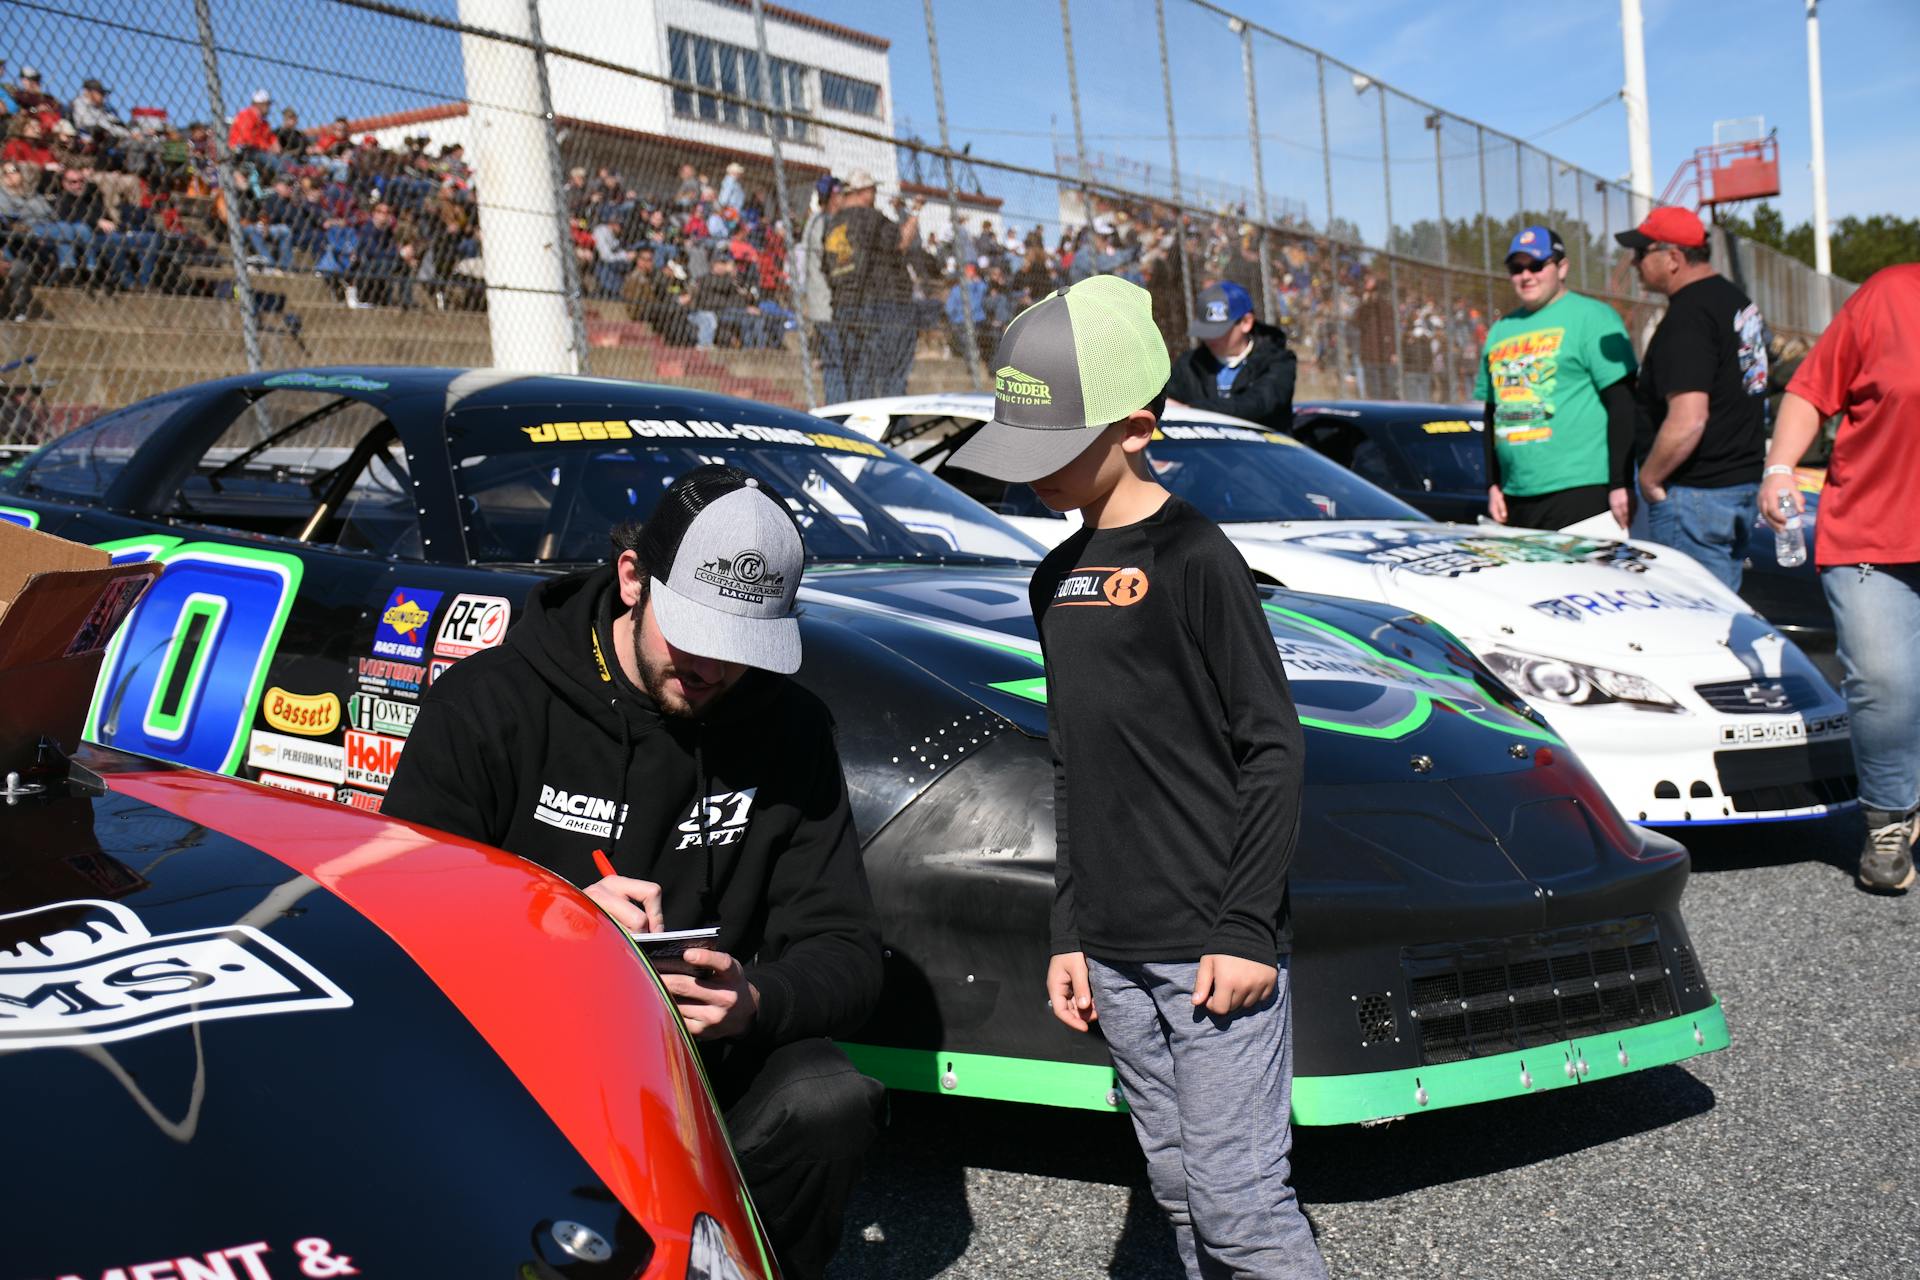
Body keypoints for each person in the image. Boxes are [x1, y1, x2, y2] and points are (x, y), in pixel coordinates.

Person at [381, 466, 885, 1279]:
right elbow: (394, 918)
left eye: (742, 646)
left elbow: (850, 950)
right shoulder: (491, 703)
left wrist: (753, 999)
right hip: (526, 1046)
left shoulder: (789, 729)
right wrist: (555, 917)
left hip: (701, 1058)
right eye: (695, 633)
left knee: (828, 1102)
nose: (715, 668)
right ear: (631, 579)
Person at [948, 276, 1327, 1280]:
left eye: (1053, 449)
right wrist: (1070, 930)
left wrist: (1246, 924)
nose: (1031, 476)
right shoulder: (1051, 577)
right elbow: (1072, 762)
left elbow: (1274, 745)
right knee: (1177, 1190)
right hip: (1112, 949)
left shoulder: (1197, 555)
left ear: (1136, 427)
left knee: (1242, 1204)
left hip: (1212, 944)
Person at [1761, 264, 1920, 893]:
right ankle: (1889, 817)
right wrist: (1779, 468)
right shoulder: (1888, 296)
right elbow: (1810, 389)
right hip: (1872, 531)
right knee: (1885, 681)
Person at [1619, 206, 1769, 589]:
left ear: (1673, 258)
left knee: (1695, 621)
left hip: (1698, 495)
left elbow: (1689, 418)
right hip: (1737, 484)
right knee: (1721, 608)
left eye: (1641, 253)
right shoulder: (1734, 301)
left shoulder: (1689, 315)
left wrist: (1651, 478)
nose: (1634, 263)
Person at [1475, 226, 1639, 532]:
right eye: (1516, 268)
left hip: (1582, 491)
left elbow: (1623, 404)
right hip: (1516, 496)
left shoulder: (1593, 317)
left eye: (1536, 265)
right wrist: (1493, 483)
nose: (1526, 276)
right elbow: (1491, 414)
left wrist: (1621, 481)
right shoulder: (1500, 330)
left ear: (1562, 267)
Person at [822, 169, 918, 399]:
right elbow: (901, 243)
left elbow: (825, 267)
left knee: (852, 369)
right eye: (873, 190)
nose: (875, 195)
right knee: (881, 370)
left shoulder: (833, 224)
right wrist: (915, 213)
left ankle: (854, 420)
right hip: (873, 304)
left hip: (841, 303)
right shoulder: (872, 218)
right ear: (864, 192)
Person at [1166, 279, 1299, 431]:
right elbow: (1168, 399)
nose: (1211, 338)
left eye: (1219, 331)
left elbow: (1257, 404)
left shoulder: (1277, 361)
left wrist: (1190, 410)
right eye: (1205, 331)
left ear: (1246, 322)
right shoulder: (1190, 364)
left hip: (1263, 451)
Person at [1353, 270, 1397, 399]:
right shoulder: (1364, 308)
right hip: (1369, 356)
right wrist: (1365, 302)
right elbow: (1356, 322)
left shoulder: (1386, 308)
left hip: (1385, 355)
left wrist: (1393, 351)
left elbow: (1392, 330)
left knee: (1388, 389)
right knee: (1374, 390)